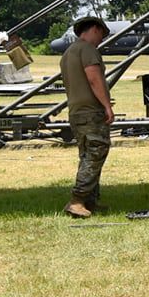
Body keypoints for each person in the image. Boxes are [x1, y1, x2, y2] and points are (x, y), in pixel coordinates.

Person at [59, 16, 114, 218]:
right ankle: (77, 199)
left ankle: (89, 201)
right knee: (96, 153)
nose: (101, 40)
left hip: (77, 111)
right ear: (95, 29)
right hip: (91, 112)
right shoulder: (88, 50)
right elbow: (94, 78)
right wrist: (107, 106)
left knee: (87, 155)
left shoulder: (68, 53)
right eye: (102, 34)